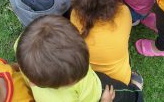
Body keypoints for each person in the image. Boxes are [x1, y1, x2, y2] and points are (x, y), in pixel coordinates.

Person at [16, 15, 144, 102]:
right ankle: (136, 92)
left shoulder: (23, 48)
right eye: (74, 80)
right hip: (98, 93)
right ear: (34, 82)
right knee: (126, 95)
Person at [71, 0, 144, 88]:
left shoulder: (74, 14)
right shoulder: (124, 12)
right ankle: (135, 86)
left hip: (89, 80)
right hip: (120, 82)